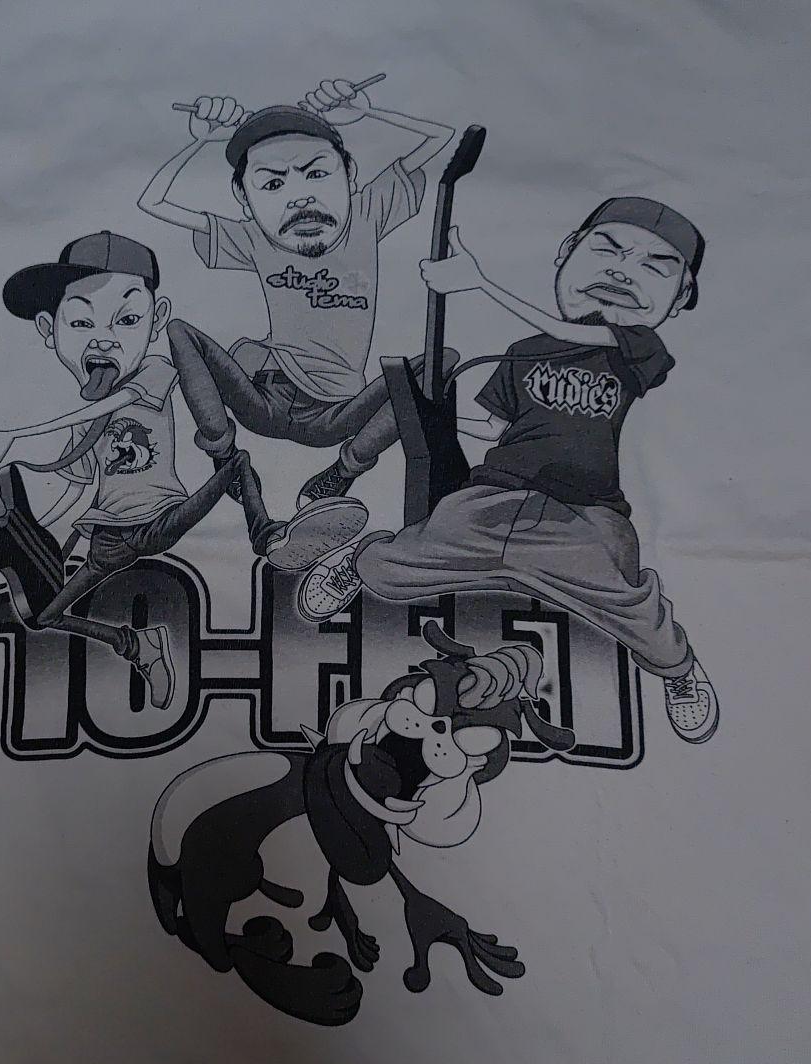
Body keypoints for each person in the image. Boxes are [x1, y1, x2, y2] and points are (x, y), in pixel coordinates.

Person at [297, 198, 720, 744]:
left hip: (584, 516)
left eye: (655, 267)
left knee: (628, 602)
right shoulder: (523, 352)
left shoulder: (638, 348)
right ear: (566, 252)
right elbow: (490, 426)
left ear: (681, 296)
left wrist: (479, 283)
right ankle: (358, 560)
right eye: (607, 250)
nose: (621, 272)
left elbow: (572, 334)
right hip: (493, 498)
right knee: (397, 566)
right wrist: (429, 413)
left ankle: (679, 672)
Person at [0, 231, 365, 708]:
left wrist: (11, 438)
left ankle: (269, 534)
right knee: (43, 616)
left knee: (236, 462)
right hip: (107, 538)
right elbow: (76, 486)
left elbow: (111, 405)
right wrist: (36, 539)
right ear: (49, 329)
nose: (104, 338)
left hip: (161, 518)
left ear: (156, 320)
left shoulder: (152, 371)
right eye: (82, 322)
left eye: (128, 320)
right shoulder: (83, 420)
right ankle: (135, 644)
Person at [136, 79, 454, 506]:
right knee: (178, 331)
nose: (300, 198)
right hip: (262, 401)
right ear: (243, 196)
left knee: (441, 360)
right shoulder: (255, 237)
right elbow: (152, 202)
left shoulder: (367, 214)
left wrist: (368, 113)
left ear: (350, 174)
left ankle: (344, 471)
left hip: (335, 415)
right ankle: (225, 457)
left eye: (316, 174)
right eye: (272, 184)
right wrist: (203, 142)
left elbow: (443, 137)